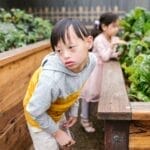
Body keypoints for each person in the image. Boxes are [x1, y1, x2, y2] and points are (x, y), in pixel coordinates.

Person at [23, 18, 97, 150]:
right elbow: (34, 110)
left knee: (66, 144)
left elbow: (77, 84)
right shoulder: (51, 79)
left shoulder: (91, 62)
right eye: (59, 51)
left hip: (55, 109)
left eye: (71, 47)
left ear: (89, 42)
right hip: (37, 114)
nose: (65, 56)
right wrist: (57, 133)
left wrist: (74, 111)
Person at [80, 12, 127, 133]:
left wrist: (118, 53)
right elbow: (105, 57)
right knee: (88, 95)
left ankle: (100, 119)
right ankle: (84, 119)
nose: (117, 29)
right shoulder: (98, 40)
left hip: (103, 71)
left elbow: (111, 55)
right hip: (95, 71)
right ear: (104, 27)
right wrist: (112, 46)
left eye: (117, 26)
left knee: (101, 95)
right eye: (114, 26)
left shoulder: (111, 38)